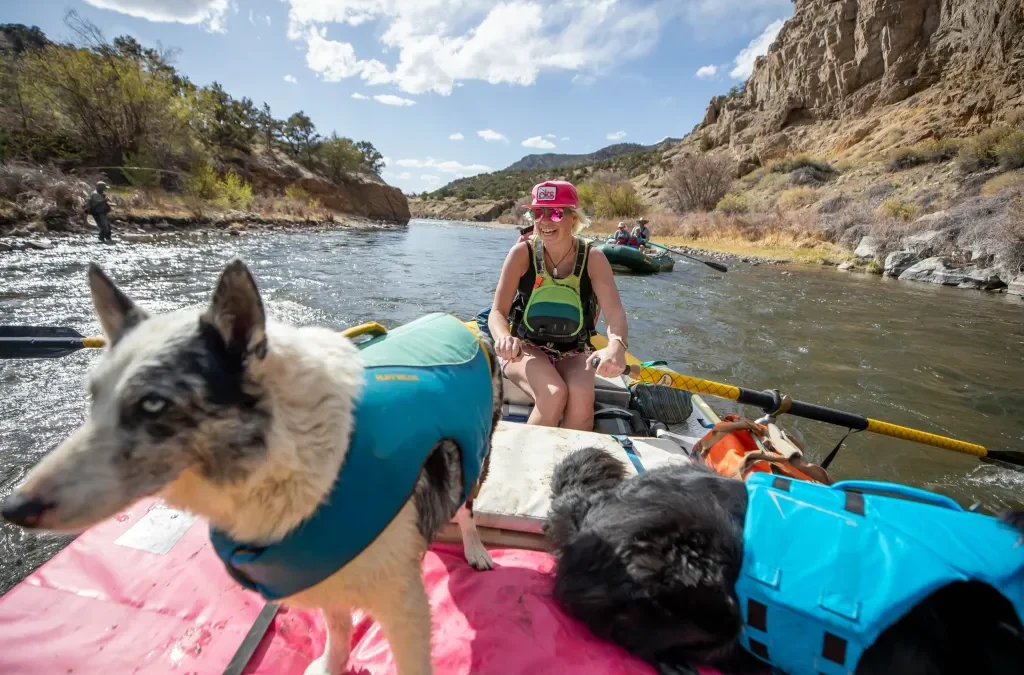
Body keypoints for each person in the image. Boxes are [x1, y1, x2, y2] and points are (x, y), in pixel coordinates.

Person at [488, 180, 629, 431]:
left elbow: (615, 314)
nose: (544, 221)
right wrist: (503, 338)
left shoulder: (593, 258)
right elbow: (498, 312)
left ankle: (571, 466)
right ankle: (524, 463)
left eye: (554, 213)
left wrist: (617, 346)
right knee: (553, 394)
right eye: (537, 213)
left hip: (574, 350)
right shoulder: (521, 253)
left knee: (582, 400)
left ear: (573, 218)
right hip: (526, 348)